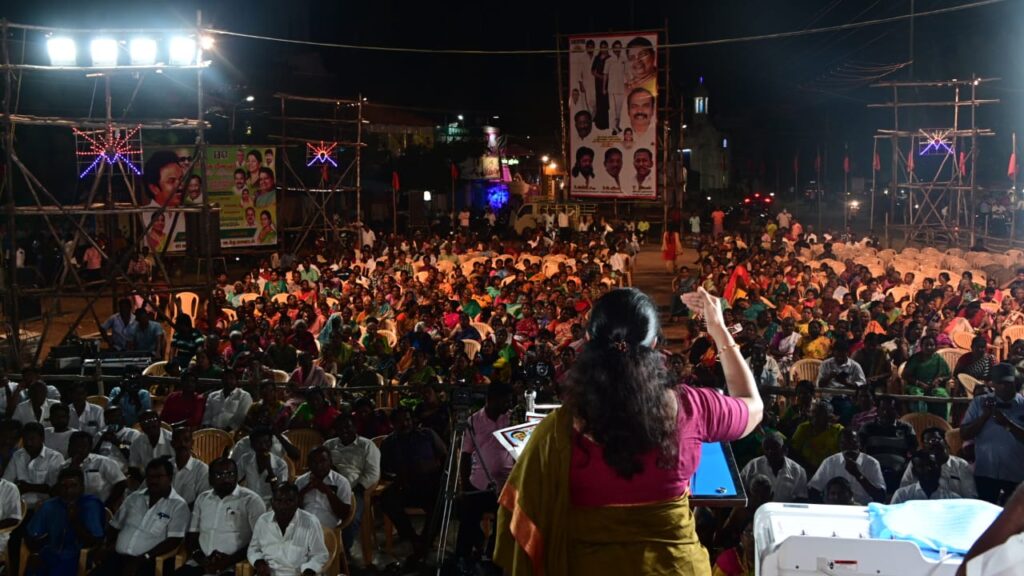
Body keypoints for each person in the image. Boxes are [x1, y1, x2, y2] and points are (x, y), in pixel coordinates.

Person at [495, 287, 762, 575]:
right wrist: (719, 330)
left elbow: (520, 524)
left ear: (588, 340)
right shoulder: (692, 407)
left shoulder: (556, 431)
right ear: (655, 344)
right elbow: (753, 406)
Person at [92, 458, 189, 576]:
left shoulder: (178, 505)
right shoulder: (134, 498)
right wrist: (104, 545)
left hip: (149, 562)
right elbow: (114, 526)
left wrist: (144, 557)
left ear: (169, 478)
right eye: (150, 477)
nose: (153, 481)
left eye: (158, 477)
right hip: (118, 558)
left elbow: (174, 540)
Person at [379, 406, 447, 569]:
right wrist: (396, 478)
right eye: (400, 421)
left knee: (441, 499)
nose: (405, 424)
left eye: (408, 419)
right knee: (386, 499)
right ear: (393, 424)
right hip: (406, 486)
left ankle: (425, 542)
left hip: (430, 483)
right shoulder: (389, 443)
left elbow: (445, 456)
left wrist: (440, 473)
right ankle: (413, 539)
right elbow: (384, 470)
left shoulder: (427, 435)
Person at [455, 382, 515, 567]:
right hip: (479, 483)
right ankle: (464, 557)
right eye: (505, 401)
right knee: (466, 514)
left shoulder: (511, 418)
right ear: (491, 400)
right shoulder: (474, 421)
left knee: (507, 518)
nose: (508, 405)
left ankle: (494, 555)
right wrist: (464, 485)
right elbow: (465, 455)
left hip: (506, 483)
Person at [181, 458, 266, 576]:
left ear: (237, 476)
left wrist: (228, 561)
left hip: (233, 566)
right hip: (202, 563)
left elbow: (259, 540)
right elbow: (192, 535)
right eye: (219, 475)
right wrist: (201, 559)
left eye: (230, 474)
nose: (226, 479)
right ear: (210, 479)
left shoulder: (251, 500)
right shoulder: (202, 499)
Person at [960, 362, 1024, 504]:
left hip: (1016, 474)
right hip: (985, 472)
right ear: (992, 384)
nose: (1004, 387)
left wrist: (1007, 424)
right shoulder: (979, 403)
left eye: (1008, 383)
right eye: (1000, 383)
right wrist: (984, 417)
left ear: (1016, 382)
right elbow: (964, 434)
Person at [24, 467, 104, 576]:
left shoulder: (90, 505)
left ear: (82, 487)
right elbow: (31, 535)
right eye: (63, 486)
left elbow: (96, 541)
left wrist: (75, 521)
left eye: (73, 486)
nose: (68, 490)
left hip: (77, 556)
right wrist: (35, 553)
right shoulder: (49, 505)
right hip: (50, 552)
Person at [324, 413, 380, 553]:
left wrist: (358, 489)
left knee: (351, 518)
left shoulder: (366, 445)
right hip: (328, 488)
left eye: (348, 427)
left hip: (355, 489)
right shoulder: (329, 445)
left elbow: (373, 473)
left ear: (355, 427)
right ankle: (324, 549)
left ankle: (342, 552)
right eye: (340, 428)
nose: (344, 431)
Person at [247, 482, 328, 576]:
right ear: (272, 502)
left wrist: (308, 570)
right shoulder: (263, 521)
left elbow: (319, 555)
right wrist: (259, 563)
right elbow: (253, 549)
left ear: (297, 502)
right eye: (279, 501)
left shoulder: (310, 522)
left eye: (289, 501)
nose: (283, 506)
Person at [807, 428, 887, 504]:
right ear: (839, 445)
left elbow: (880, 496)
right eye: (844, 444)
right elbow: (813, 489)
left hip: (862, 508)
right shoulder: (830, 462)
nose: (849, 448)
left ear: (860, 445)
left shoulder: (872, 463)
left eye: (853, 443)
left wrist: (857, 474)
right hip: (836, 507)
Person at [857, 396, 917, 494]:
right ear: (877, 411)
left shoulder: (906, 428)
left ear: (896, 411)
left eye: (890, 409)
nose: (886, 413)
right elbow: (858, 449)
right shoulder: (868, 427)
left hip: (899, 471)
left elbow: (913, 452)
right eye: (883, 409)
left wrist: (905, 467)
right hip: (873, 470)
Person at [899, 426, 977, 499]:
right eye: (928, 441)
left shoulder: (961, 465)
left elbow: (970, 496)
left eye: (936, 439)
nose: (932, 443)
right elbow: (904, 490)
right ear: (923, 446)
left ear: (945, 441)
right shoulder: (917, 464)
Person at [3, 422, 63, 508]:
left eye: (32, 439)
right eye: (25, 439)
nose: (28, 443)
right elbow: (6, 482)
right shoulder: (18, 455)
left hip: (44, 506)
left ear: (42, 439)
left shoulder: (55, 457)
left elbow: (53, 488)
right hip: (19, 506)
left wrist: (26, 487)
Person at [739, 431, 808, 503]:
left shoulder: (798, 471)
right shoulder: (753, 466)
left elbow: (801, 499)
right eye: (766, 448)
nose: (770, 451)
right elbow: (739, 491)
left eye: (774, 448)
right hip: (756, 509)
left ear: (784, 449)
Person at [64, 431, 127, 509]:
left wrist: (106, 506)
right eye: (75, 446)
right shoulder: (64, 466)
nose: (78, 449)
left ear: (90, 447)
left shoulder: (104, 462)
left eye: (83, 446)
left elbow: (121, 483)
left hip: (100, 507)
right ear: (69, 447)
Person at [295, 447, 352, 529]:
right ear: (308, 464)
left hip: (327, 526)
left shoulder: (341, 482)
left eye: (323, 461)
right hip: (302, 524)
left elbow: (344, 514)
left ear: (330, 462)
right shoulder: (300, 481)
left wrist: (328, 492)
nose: (319, 465)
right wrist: (304, 490)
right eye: (314, 462)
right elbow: (293, 509)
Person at [902, 334, 952, 419]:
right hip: (916, 386)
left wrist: (940, 379)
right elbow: (905, 375)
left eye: (931, 345)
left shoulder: (938, 358)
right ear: (921, 346)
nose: (929, 347)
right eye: (926, 345)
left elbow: (948, 375)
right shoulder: (915, 358)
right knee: (918, 396)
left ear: (935, 346)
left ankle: (941, 421)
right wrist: (919, 383)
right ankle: (920, 421)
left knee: (942, 395)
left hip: (934, 386)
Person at [237, 427, 289, 505]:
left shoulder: (281, 465)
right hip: (249, 502)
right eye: (259, 443)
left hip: (270, 505)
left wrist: (269, 469)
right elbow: (236, 479)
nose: (263, 446)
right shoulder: (245, 459)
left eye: (266, 442)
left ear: (271, 443)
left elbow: (280, 492)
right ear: (252, 445)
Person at [889, 449, 960, 504]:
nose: (928, 469)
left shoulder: (953, 499)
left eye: (932, 465)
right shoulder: (902, 496)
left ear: (940, 467)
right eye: (922, 466)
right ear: (914, 471)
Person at [790, 401, 842, 474]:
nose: (814, 415)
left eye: (820, 414)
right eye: (813, 412)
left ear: (829, 416)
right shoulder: (803, 428)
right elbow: (793, 452)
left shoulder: (838, 430)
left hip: (830, 471)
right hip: (806, 470)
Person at [170, 427, 210, 507]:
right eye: (178, 440)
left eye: (186, 440)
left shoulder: (202, 470)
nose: (182, 444)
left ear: (192, 443)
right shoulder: (164, 466)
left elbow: (202, 500)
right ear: (172, 444)